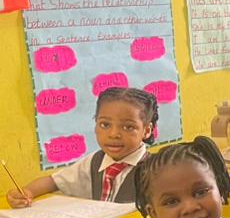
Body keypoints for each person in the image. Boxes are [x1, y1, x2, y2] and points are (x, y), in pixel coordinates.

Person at [7, 87, 158, 207]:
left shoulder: (156, 170)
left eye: (128, 127)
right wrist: (27, 192)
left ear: (146, 130)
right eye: (105, 125)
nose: (113, 134)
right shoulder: (95, 161)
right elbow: (53, 181)